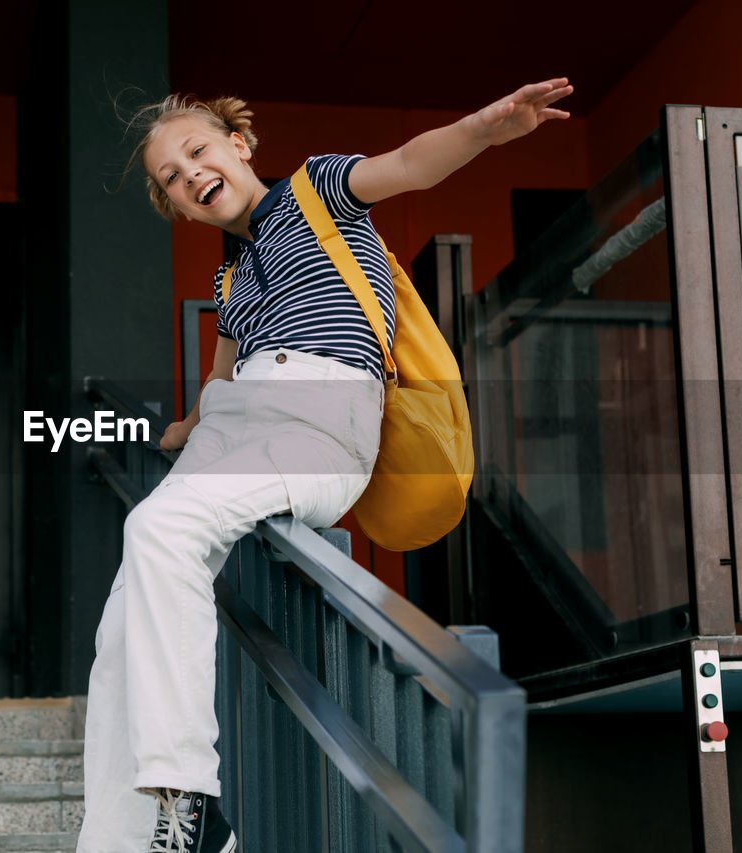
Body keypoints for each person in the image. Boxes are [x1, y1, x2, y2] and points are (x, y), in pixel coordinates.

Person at [79, 78, 574, 853]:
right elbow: (218, 387)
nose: (189, 176)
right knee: (121, 629)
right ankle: (120, 842)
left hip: (318, 413)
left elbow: (410, 162)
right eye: (171, 179)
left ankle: (192, 802)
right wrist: (176, 430)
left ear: (238, 146)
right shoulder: (231, 279)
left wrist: (482, 127)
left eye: (196, 152)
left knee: (159, 529)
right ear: (176, 205)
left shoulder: (318, 190)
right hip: (234, 428)